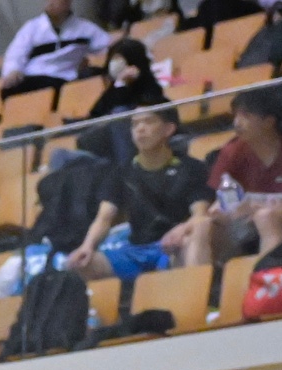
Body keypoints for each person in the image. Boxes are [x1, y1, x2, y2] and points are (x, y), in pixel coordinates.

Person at [69, 107, 214, 278]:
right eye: (135, 124)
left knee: (191, 241)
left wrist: (182, 230)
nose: (140, 129)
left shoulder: (191, 168)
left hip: (172, 245)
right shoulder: (121, 172)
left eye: (148, 122)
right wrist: (87, 246)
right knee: (83, 264)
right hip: (135, 250)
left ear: (168, 129)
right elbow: (104, 217)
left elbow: (200, 214)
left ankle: (198, 292)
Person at [209, 85, 282, 265]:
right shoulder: (232, 151)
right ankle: (212, 280)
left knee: (266, 217)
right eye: (235, 116)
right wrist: (223, 211)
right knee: (205, 227)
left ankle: (268, 278)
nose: (237, 123)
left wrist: (267, 209)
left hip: (270, 218)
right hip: (248, 223)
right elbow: (223, 198)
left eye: (246, 116)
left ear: (269, 122)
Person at [0, 0, 112, 98]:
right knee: (9, 89)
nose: (50, 3)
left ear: (68, 2)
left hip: (64, 80)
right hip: (32, 78)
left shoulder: (85, 29)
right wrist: (13, 71)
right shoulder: (32, 27)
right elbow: (15, 54)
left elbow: (107, 45)